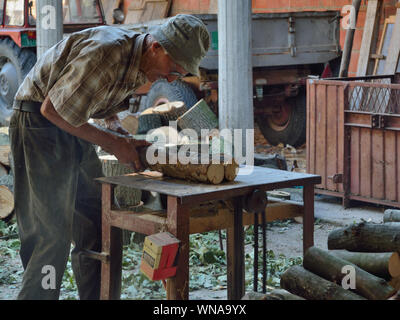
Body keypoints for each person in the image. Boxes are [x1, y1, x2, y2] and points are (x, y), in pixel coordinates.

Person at [9, 14, 210, 300]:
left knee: (99, 224)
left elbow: (94, 93)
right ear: (156, 47)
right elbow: (52, 110)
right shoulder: (107, 52)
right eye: (173, 69)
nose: (170, 78)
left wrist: (114, 126)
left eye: (178, 75)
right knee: (51, 234)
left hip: (71, 124)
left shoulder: (140, 61)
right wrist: (114, 143)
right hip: (40, 125)